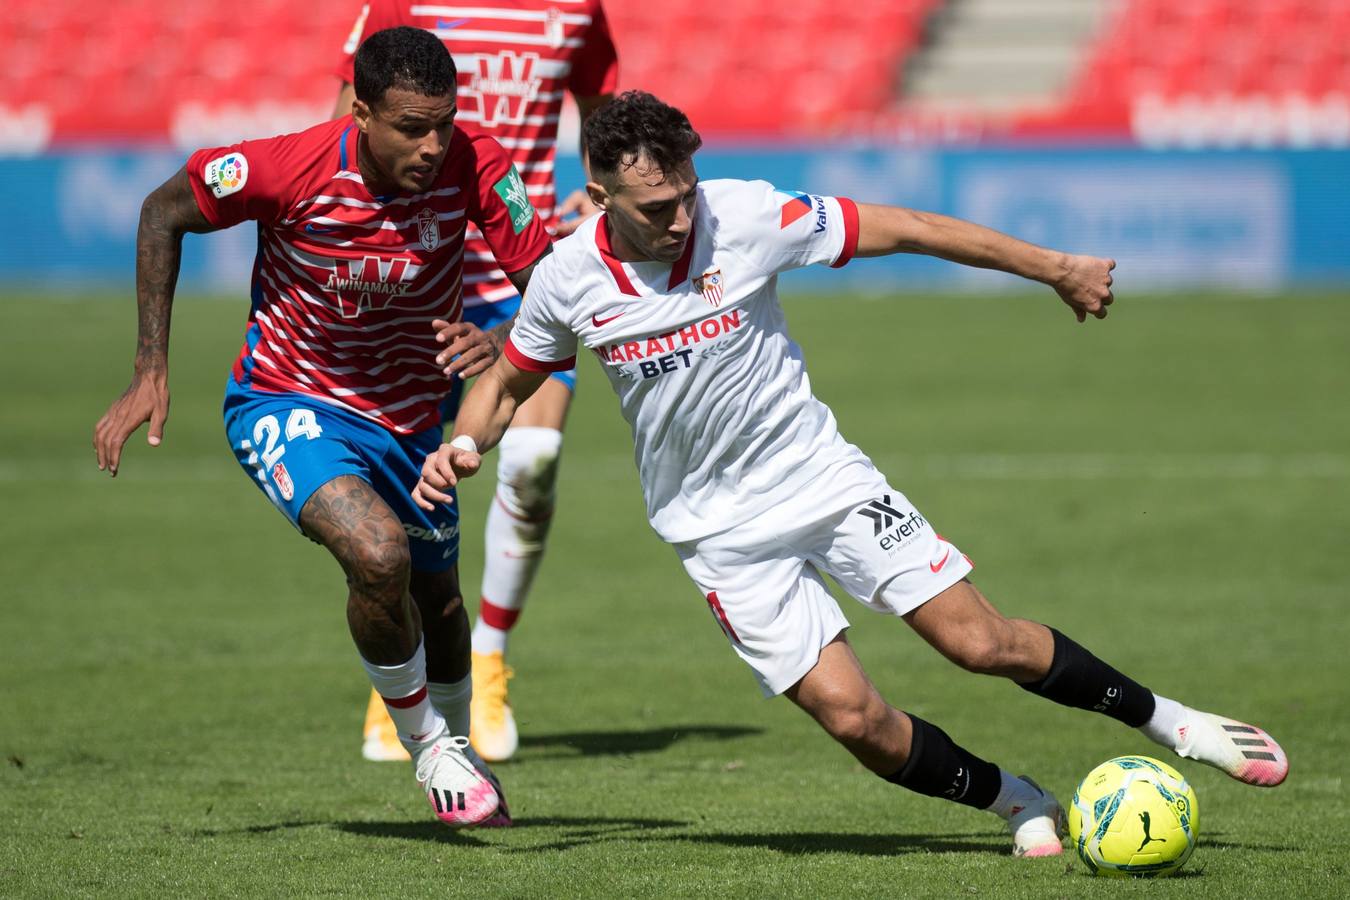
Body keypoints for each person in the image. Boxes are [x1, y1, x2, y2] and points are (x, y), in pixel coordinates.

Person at [412, 91, 1290, 855]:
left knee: (980, 644)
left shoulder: (744, 215)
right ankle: (1017, 799)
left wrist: (1055, 267)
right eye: (655, 207)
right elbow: (507, 382)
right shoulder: (569, 279)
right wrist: (466, 448)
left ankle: (1175, 722)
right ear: (600, 194)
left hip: (822, 479)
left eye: (684, 195)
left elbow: (906, 227)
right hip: (719, 535)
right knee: (855, 722)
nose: (680, 220)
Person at [93, 26, 553, 829]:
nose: (433, 144)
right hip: (288, 398)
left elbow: (548, 284)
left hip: (411, 418)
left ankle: (456, 746)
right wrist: (150, 368)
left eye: (444, 122)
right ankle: (431, 752)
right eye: (412, 127)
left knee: (440, 605)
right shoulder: (286, 167)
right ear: (362, 112)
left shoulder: (478, 161)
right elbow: (162, 211)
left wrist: (501, 331)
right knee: (380, 555)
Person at [333, 0, 619, 765]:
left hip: (521, 269)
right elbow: (344, 127)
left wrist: (599, 198)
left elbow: (605, 117)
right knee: (409, 477)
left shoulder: (576, 9)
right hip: (416, 268)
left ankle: (486, 661)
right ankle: (407, 665)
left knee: (532, 465)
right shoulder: (405, 5)